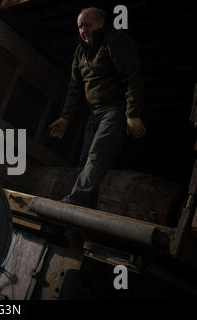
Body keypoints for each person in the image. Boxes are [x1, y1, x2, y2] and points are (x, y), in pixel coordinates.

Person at [49, 7, 147, 209]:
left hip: (114, 109)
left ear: (101, 22)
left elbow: (133, 77)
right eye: (80, 27)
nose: (83, 30)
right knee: (84, 160)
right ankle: (85, 207)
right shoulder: (80, 51)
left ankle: (76, 200)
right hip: (94, 112)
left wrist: (133, 113)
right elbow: (75, 88)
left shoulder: (115, 41)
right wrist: (65, 117)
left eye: (87, 25)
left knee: (97, 155)